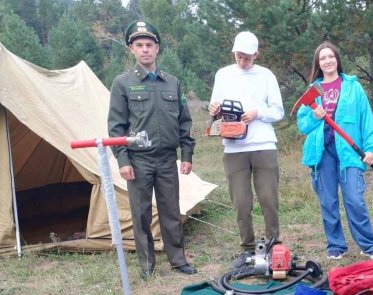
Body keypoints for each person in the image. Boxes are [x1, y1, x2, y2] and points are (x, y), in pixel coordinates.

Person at [108, 21, 197, 279]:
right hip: (138, 161)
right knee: (141, 213)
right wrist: (123, 160)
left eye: (149, 45)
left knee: (171, 211)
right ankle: (147, 266)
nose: (145, 50)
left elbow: (184, 121)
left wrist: (187, 154)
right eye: (139, 45)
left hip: (167, 158)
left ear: (157, 48)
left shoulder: (172, 83)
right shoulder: (122, 83)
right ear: (131, 50)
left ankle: (178, 260)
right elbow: (117, 126)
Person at [296, 42, 373, 260]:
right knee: (328, 200)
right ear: (318, 63)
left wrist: (371, 148)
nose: (327, 61)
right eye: (322, 58)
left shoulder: (353, 86)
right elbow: (302, 125)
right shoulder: (313, 90)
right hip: (322, 152)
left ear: (337, 59)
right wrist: (313, 116)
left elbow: (366, 118)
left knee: (354, 199)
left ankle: (368, 245)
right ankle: (336, 245)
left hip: (349, 151)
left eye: (331, 56)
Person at [209, 31, 284, 268]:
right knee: (241, 202)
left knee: (268, 199)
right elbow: (216, 110)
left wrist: (257, 112)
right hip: (234, 148)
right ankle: (247, 247)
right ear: (234, 52)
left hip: (263, 145)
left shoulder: (266, 76)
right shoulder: (223, 75)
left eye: (248, 58)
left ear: (256, 55)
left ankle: (273, 245)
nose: (243, 62)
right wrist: (214, 109)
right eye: (239, 56)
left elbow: (278, 111)